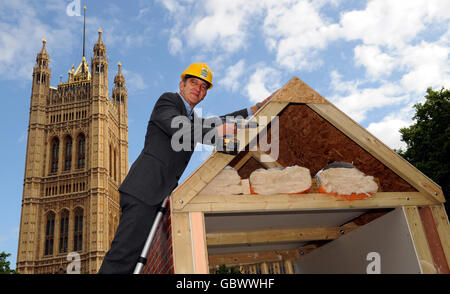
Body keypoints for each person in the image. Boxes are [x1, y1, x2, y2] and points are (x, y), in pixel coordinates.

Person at [98, 63, 271, 274]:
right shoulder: (168, 101)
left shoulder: (192, 119)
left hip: (158, 196)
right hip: (145, 192)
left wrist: (253, 109)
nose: (198, 88)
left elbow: (213, 123)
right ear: (181, 84)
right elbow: (183, 131)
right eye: (193, 82)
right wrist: (218, 132)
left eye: (203, 87)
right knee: (123, 257)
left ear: (205, 94)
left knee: (138, 263)